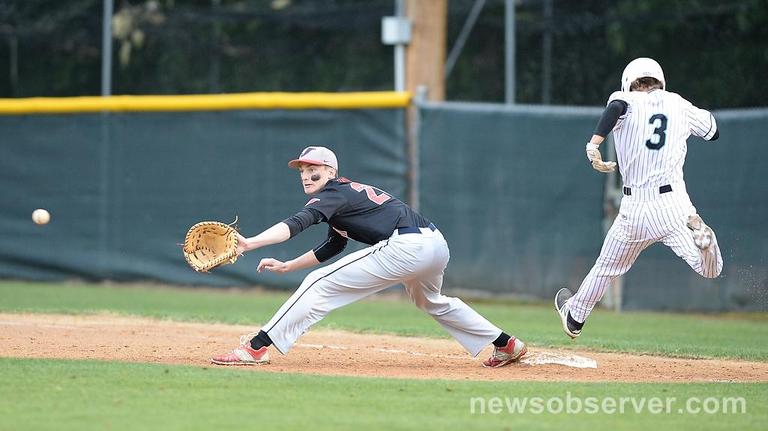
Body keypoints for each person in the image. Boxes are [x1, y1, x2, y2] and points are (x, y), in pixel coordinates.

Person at [211, 146, 527, 368]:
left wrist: (251, 243)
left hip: (406, 247)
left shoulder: (333, 193)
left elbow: (296, 224)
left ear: (330, 171)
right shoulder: (345, 197)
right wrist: (288, 265)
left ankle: (256, 347)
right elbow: (332, 246)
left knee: (318, 282)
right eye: (303, 170)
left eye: (314, 169)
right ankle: (505, 343)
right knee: (431, 301)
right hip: (434, 244)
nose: (307, 175)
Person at [555, 57, 723, 338]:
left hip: (635, 209)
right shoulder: (678, 104)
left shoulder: (626, 99)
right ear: (660, 81)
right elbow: (713, 131)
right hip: (676, 208)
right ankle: (705, 242)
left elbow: (615, 108)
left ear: (629, 82)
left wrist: (594, 143)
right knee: (709, 270)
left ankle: (575, 317)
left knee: (606, 267)